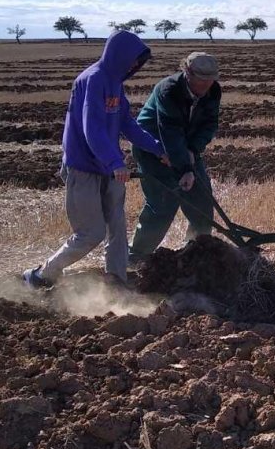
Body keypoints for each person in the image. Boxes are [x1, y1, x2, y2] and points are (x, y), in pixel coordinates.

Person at [24, 30, 168, 289]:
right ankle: (41, 275)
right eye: (134, 59)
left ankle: (117, 284)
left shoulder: (115, 83)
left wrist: (157, 148)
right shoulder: (93, 80)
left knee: (117, 230)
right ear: (119, 55)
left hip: (107, 168)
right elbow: (93, 129)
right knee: (91, 233)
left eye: (139, 61)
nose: (136, 65)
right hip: (84, 168)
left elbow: (127, 124)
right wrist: (115, 162)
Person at [128, 51, 223, 265]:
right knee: (163, 202)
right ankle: (137, 257)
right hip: (152, 147)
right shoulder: (168, 90)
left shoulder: (213, 91)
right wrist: (184, 168)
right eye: (201, 80)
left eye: (210, 80)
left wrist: (192, 150)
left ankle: (196, 253)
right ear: (187, 73)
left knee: (202, 201)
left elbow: (209, 125)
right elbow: (169, 130)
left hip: (185, 147)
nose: (205, 86)